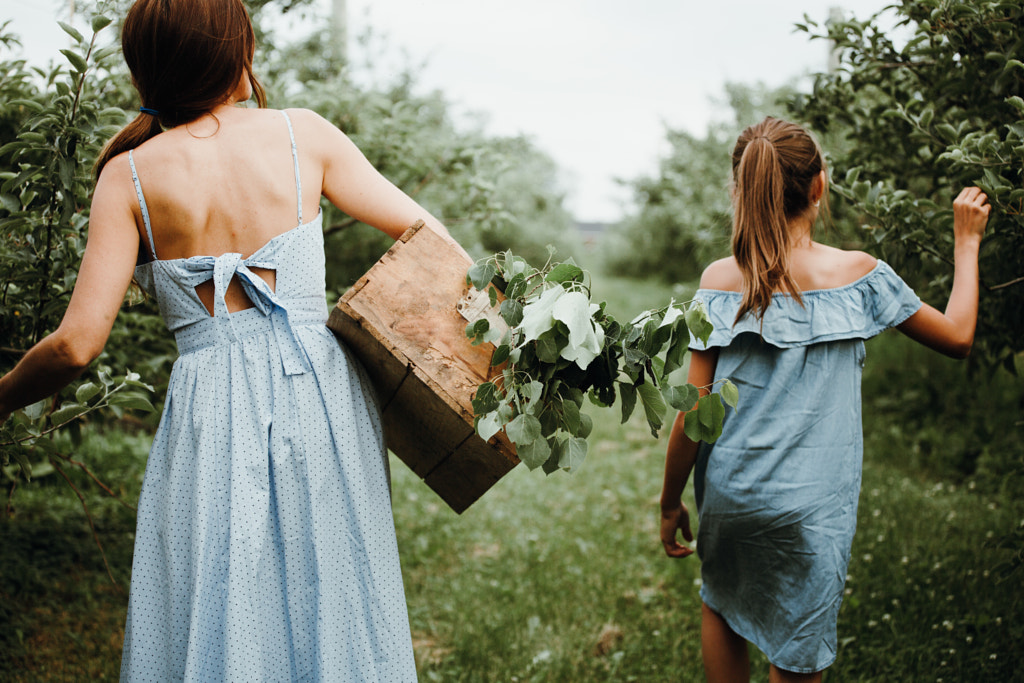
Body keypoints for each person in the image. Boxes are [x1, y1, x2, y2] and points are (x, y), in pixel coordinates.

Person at [0, 0, 463, 679]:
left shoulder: (126, 176)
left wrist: (4, 396)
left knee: (218, 587)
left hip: (208, 409)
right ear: (224, 50)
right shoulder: (305, 136)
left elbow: (75, 345)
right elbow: (434, 243)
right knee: (333, 583)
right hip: (323, 395)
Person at [658, 117, 990, 683]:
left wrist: (670, 501)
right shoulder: (859, 275)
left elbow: (693, 414)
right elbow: (958, 336)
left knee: (721, 604)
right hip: (812, 512)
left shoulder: (718, 280)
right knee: (797, 655)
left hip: (732, 493)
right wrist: (967, 241)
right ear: (819, 187)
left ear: (741, 192)